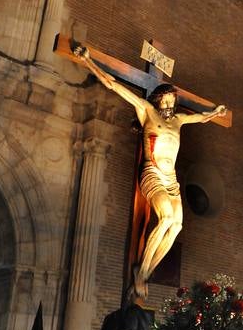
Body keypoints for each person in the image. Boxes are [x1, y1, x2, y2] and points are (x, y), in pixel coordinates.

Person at [73, 46, 227, 302]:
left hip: (172, 180)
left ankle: (145, 270)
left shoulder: (177, 120)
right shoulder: (146, 111)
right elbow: (113, 85)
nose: (169, 103)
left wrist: (216, 112)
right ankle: (141, 274)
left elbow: (200, 118)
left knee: (176, 226)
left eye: (172, 100)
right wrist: (89, 62)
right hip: (152, 172)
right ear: (157, 100)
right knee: (166, 218)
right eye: (165, 99)